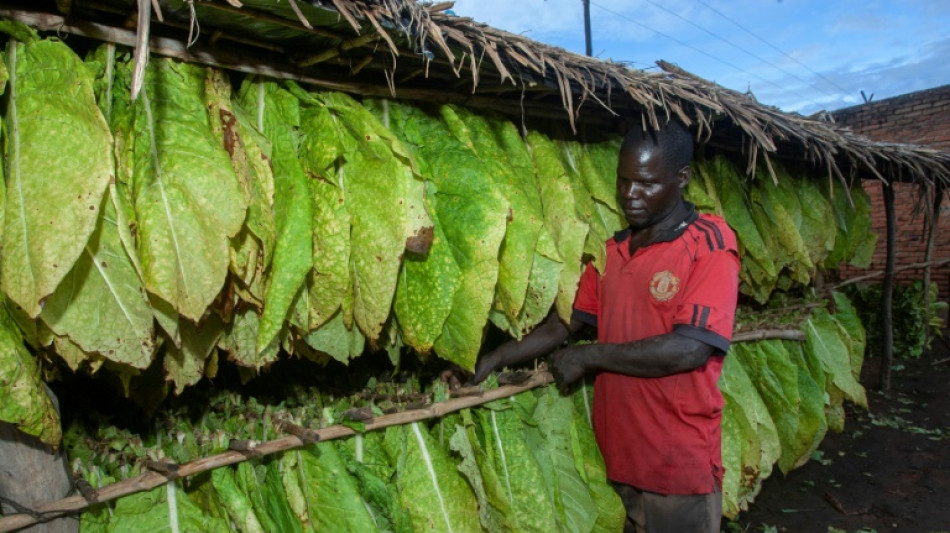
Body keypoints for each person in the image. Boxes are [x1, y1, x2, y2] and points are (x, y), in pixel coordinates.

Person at [472, 118, 740, 533]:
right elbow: (565, 324)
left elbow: (690, 348)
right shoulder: (612, 250)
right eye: (623, 181)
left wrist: (589, 356)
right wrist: (493, 359)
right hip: (617, 459)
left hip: (675, 466)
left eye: (646, 183)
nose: (630, 194)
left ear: (682, 178)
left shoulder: (709, 243)